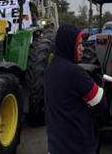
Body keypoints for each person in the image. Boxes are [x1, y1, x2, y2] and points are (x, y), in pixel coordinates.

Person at [45, 24, 105, 154]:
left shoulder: (50, 69)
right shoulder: (75, 73)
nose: (82, 49)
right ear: (69, 45)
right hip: (76, 145)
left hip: (56, 144)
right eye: (79, 45)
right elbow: (100, 103)